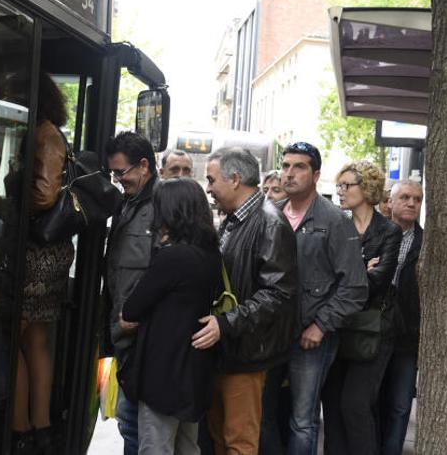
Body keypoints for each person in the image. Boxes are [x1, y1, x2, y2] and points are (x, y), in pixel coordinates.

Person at [198, 146, 299, 454]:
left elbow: (278, 293)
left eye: (212, 179)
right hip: (227, 349)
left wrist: (226, 323)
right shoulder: (234, 219)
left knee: (239, 442)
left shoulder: (270, 223)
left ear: (235, 179)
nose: (209, 187)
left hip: (246, 354)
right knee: (220, 436)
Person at [274, 142, 367, 455]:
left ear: (315, 175)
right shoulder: (271, 214)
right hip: (271, 335)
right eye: (285, 166)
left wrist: (320, 326)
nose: (289, 173)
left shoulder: (335, 221)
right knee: (265, 412)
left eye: (299, 167)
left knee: (303, 420)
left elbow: (355, 287)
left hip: (310, 338)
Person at [119, 178, 221, 455]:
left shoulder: (173, 257)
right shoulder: (211, 255)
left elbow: (130, 311)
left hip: (162, 370)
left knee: (156, 446)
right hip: (193, 369)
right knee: (187, 446)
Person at [11, 73, 76, 453]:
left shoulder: (45, 135)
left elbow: (44, 193)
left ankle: (21, 428)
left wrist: (13, 194)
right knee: (35, 341)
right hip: (48, 252)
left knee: (15, 337)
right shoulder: (50, 133)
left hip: (37, 250)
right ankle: (41, 427)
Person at [321, 161, 402, 455]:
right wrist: (361, 267)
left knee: (355, 405)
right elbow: (325, 277)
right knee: (331, 405)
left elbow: (377, 283)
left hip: (373, 328)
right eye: (338, 186)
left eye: (346, 185)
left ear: (366, 188)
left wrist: (350, 272)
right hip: (338, 325)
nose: (340, 192)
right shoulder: (334, 225)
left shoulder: (389, 231)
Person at [105, 131, 160, 455]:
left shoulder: (162, 204)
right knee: (128, 422)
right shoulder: (126, 203)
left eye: (121, 173)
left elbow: (163, 276)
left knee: (138, 424)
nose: (118, 180)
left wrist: (138, 318)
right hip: (124, 332)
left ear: (143, 166)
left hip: (143, 336)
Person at [378, 180, 423, 455]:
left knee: (400, 404)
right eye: (405, 197)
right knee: (371, 400)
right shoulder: (376, 235)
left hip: (407, 335)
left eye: (417, 199)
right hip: (374, 331)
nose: (411, 203)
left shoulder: (426, 242)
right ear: (390, 202)